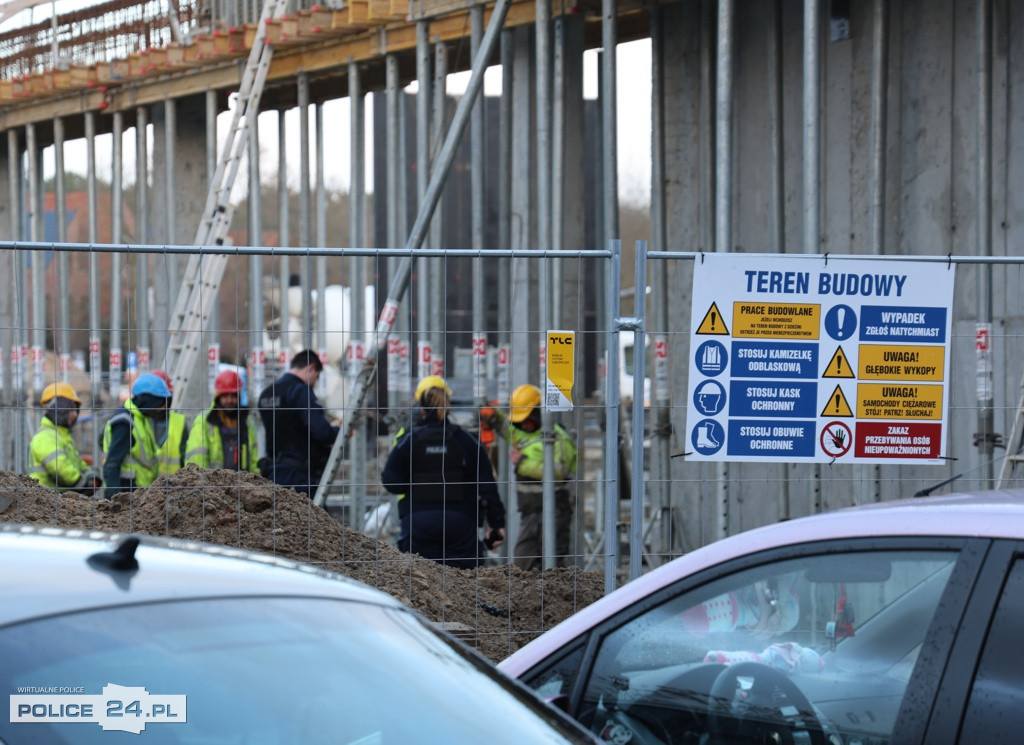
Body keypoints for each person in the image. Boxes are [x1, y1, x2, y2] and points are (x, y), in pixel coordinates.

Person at [381, 376, 506, 569]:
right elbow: (487, 485)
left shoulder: (408, 441)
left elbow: (391, 482)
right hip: (461, 523)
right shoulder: (468, 441)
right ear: (449, 407)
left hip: (418, 522)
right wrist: (496, 524)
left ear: (421, 409)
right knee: (465, 584)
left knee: (418, 582)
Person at [484, 383, 578, 570]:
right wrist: (492, 416)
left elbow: (559, 472)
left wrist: (522, 463)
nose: (525, 424)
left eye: (528, 420)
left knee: (551, 565)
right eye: (520, 421)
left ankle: (552, 599)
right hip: (530, 513)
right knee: (522, 564)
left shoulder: (558, 438)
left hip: (554, 511)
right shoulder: (524, 435)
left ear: (538, 412)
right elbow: (507, 428)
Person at [257, 349, 339, 497]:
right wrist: (339, 430)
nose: (315, 382)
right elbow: (322, 433)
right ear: (311, 368)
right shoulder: (300, 391)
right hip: (299, 476)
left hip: (272, 472)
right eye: (317, 376)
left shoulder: (266, 393)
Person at [101, 373, 173, 496]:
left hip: (140, 494)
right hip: (127, 495)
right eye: (159, 403)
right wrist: (115, 499)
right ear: (147, 400)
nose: (160, 409)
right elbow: (112, 464)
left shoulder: (140, 418)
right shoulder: (125, 422)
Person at [28, 382, 102, 496]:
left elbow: (77, 463)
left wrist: (89, 474)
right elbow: (60, 467)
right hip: (44, 499)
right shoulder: (45, 436)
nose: (75, 415)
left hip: (59, 498)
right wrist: (83, 483)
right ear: (59, 408)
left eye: (76, 410)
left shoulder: (62, 436)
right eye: (71, 409)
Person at [186, 369, 259, 472]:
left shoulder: (245, 420)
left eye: (233, 395)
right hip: (213, 485)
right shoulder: (205, 420)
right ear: (218, 397)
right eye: (225, 396)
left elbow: (253, 456)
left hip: (242, 485)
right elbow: (197, 458)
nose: (229, 400)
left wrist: (256, 482)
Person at [149, 369, 188, 476]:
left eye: (162, 399)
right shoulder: (135, 421)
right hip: (139, 489)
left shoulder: (179, 423)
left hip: (172, 489)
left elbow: (186, 459)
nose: (159, 404)